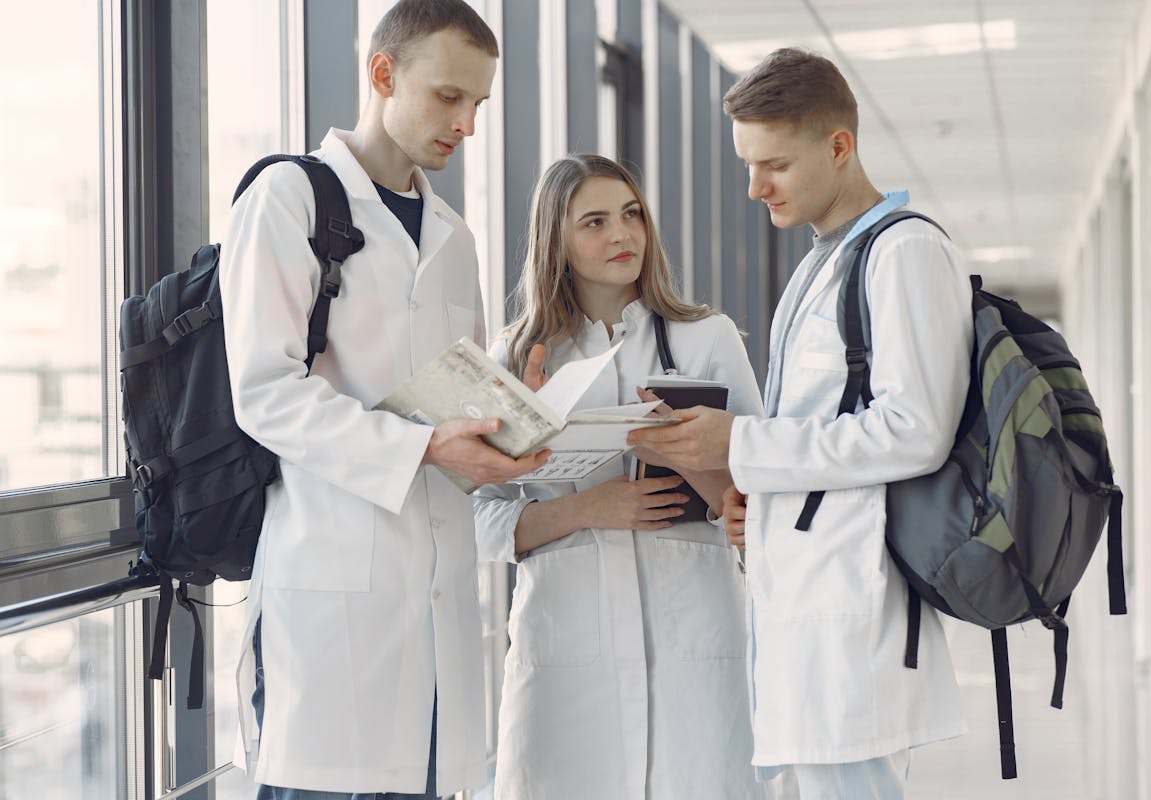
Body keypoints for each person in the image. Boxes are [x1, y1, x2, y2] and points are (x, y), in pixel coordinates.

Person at [220, 2, 547, 797]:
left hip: (437, 602)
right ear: (382, 74)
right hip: (329, 592)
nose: (466, 123)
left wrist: (508, 417)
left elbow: (450, 395)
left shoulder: (454, 236)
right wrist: (426, 447)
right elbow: (265, 394)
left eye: (479, 104)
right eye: (448, 96)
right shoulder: (289, 200)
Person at [628, 48, 972, 798]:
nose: (754, 188)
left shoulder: (904, 251)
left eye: (774, 164)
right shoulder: (823, 262)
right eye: (748, 164)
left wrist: (743, 445)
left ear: (839, 146)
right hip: (811, 605)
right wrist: (765, 503)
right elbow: (825, 432)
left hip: (852, 614)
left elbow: (917, 427)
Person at [473, 154, 771, 800]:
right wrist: (587, 509)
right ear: (556, 239)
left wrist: (691, 454)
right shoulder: (517, 357)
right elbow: (476, 516)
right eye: (596, 222)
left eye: (632, 215)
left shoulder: (708, 339)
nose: (623, 235)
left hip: (694, 651)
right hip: (566, 658)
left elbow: (763, 487)